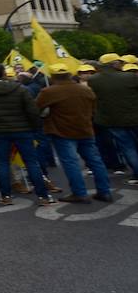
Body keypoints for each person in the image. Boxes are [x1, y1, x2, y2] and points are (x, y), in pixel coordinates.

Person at [36, 64, 113, 203]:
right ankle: (105, 191)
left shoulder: (49, 92)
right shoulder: (85, 90)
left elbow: (36, 109)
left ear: (52, 76)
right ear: (70, 74)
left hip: (62, 132)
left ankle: (79, 193)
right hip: (85, 129)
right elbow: (94, 109)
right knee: (96, 162)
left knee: (71, 163)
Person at [0, 62, 51, 204]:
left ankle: (6, 195)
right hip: (22, 129)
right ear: (4, 73)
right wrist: (34, 127)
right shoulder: (20, 89)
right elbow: (32, 110)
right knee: (31, 162)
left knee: (2, 163)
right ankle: (43, 196)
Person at [87, 53, 138, 185]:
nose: (122, 64)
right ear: (114, 64)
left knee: (127, 147)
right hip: (134, 117)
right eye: (119, 62)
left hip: (111, 119)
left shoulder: (93, 80)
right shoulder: (130, 77)